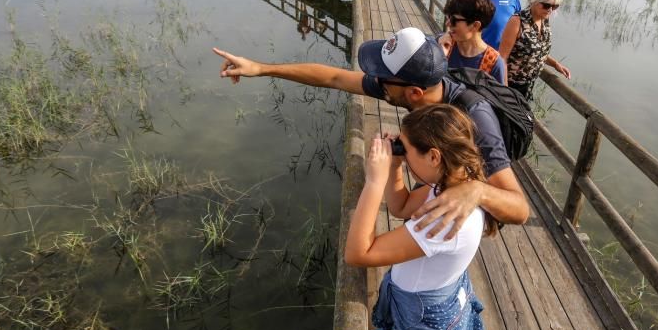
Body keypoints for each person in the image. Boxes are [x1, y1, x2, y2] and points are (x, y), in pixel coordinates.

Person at [212, 27, 529, 237]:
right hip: (435, 183)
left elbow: (519, 208)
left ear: (414, 93)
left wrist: (476, 191)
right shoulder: (410, 89)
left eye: (381, 76)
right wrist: (261, 68)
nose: (373, 80)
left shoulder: (477, 118)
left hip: (466, 213)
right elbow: (335, 78)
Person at [345, 104, 495, 330]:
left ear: (434, 155)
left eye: (408, 151)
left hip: (426, 317)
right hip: (444, 302)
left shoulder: (443, 221)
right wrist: (396, 166)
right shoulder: (448, 186)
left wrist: (374, 181)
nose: (404, 156)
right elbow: (400, 207)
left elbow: (358, 252)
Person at [498, 0, 571, 100]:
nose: (550, 10)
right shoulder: (517, 21)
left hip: (528, 85)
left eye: (555, 6)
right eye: (546, 5)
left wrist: (555, 64)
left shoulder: (544, 20)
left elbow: (536, 51)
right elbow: (502, 58)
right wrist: (505, 90)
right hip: (511, 85)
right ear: (534, 0)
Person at [439, 0, 506, 84]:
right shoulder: (443, 44)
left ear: (475, 26)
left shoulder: (492, 63)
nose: (447, 23)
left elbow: (498, 98)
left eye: (454, 20)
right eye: (448, 17)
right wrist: (438, 54)